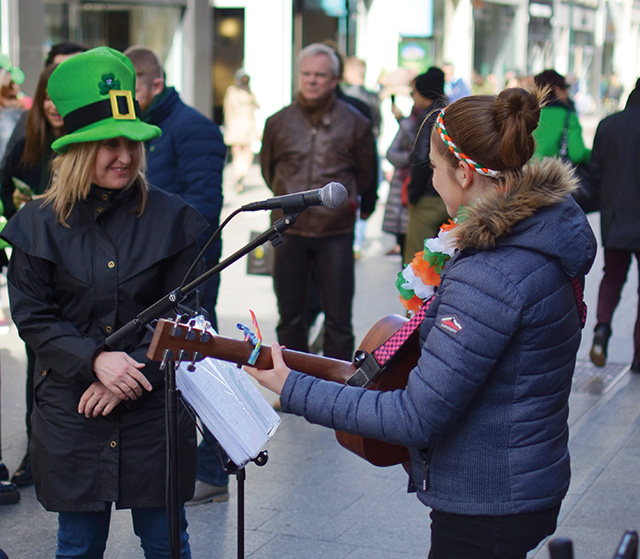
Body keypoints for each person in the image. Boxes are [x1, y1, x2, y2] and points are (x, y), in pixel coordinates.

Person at [247, 87, 597, 559]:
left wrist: (293, 388)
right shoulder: (541, 230)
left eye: (433, 168)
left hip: (489, 501)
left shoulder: (491, 272)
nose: (432, 181)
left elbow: (416, 416)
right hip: (525, 475)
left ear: (466, 173)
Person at [1, 46, 204, 557]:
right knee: (78, 545)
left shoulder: (177, 220)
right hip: (75, 411)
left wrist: (127, 374)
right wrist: (94, 360)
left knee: (166, 544)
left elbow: (186, 315)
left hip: (153, 411)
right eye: (106, 144)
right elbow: (34, 317)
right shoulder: (33, 226)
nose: (124, 156)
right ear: (73, 151)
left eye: (132, 142)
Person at [124, 45, 230, 506]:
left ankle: (214, 471)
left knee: (202, 361)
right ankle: (184, 466)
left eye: (131, 91)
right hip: (155, 264)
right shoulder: (145, 128)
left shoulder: (194, 128)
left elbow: (205, 207)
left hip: (189, 265)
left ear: (153, 84)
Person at [260, 42, 376, 361]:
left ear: (335, 79)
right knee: (290, 316)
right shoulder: (277, 122)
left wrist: (355, 206)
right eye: (307, 73)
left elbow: (366, 174)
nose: (312, 80)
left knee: (338, 319)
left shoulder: (356, 123)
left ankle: (335, 383)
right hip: (289, 231)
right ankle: (292, 380)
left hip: (335, 233)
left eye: (320, 75)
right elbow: (269, 171)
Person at [0, 63, 66, 489]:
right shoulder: (27, 138)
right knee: (39, 363)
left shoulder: (90, 143)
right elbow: (5, 188)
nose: (55, 105)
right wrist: (20, 229)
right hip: (39, 266)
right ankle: (35, 452)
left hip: (83, 270)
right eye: (47, 96)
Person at [588, 78, 640, 373]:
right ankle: (638, 357)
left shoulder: (608, 125)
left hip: (617, 217)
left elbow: (595, 173)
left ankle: (602, 328)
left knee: (612, 276)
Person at [1, 42, 86, 168]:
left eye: (75, 72)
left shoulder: (91, 135)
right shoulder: (27, 128)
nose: (65, 80)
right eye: (58, 70)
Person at [403, 67, 449, 264]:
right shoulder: (449, 112)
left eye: (414, 92)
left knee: (417, 260)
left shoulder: (428, 117)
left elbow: (422, 158)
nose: (413, 96)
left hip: (428, 197)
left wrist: (414, 192)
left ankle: (418, 296)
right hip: (448, 194)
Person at [381, 103, 418, 258]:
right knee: (403, 236)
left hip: (418, 190)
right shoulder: (408, 123)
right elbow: (391, 153)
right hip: (403, 185)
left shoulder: (409, 123)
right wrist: (411, 158)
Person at [532, 69, 591, 165]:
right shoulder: (567, 115)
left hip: (525, 174)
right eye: (565, 89)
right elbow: (577, 154)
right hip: (551, 176)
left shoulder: (528, 114)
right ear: (558, 91)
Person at [223, 69, 260, 192]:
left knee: (243, 151)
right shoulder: (237, 92)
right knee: (241, 151)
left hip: (242, 125)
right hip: (241, 124)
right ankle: (240, 174)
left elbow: (228, 109)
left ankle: (240, 174)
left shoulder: (240, 92)